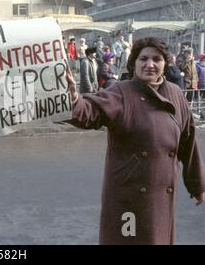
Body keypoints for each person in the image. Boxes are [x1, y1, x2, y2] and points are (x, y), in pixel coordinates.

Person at [66, 37, 205, 245]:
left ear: (165, 63)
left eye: (156, 59)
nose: (150, 64)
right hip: (128, 201)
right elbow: (89, 112)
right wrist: (73, 99)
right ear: (134, 63)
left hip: (161, 197)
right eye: (144, 59)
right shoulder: (122, 91)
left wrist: (198, 184)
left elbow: (188, 141)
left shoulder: (175, 93)